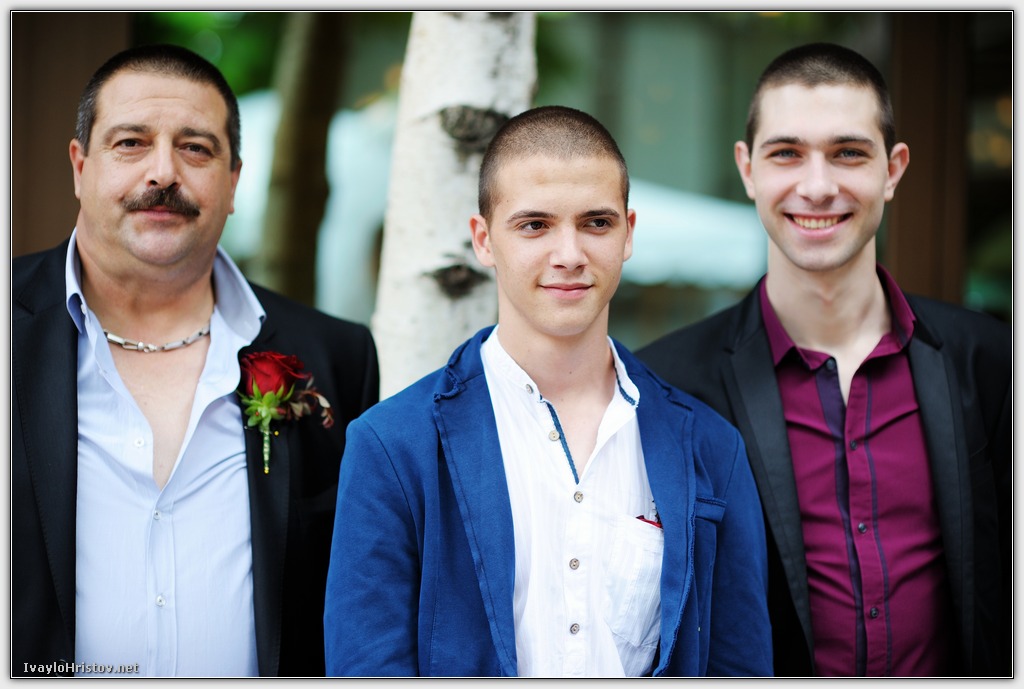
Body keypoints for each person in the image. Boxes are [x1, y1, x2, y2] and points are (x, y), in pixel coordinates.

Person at [322, 105, 773, 678]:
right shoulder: (391, 445)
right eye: (535, 225)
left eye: (596, 223)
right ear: (484, 240)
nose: (569, 255)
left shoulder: (710, 446)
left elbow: (739, 669)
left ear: (629, 233)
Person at [637, 42, 1010, 677]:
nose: (816, 187)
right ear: (748, 169)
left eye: (848, 153)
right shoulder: (668, 385)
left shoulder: (993, 361)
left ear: (893, 170)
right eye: (786, 153)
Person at [12, 44, 380, 677]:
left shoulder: (335, 358)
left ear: (233, 181)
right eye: (131, 143)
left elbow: (356, 596)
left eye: (196, 148)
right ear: (80, 167)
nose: (163, 172)